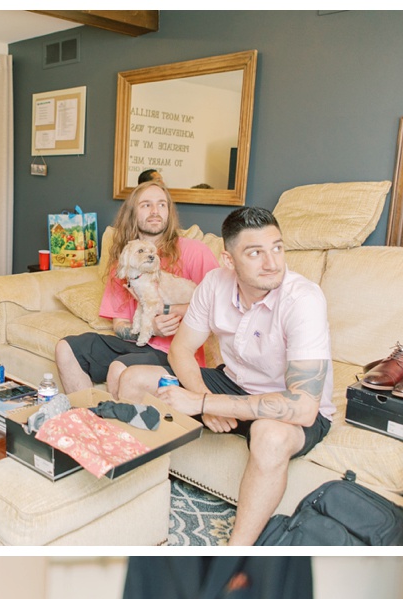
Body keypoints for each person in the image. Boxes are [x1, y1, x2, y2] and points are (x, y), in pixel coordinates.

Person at [109, 205, 333, 548]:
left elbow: (303, 407)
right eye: (255, 253)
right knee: (135, 378)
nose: (272, 262)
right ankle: (131, 497)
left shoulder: (302, 299)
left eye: (277, 247)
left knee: (270, 436)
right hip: (231, 383)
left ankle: (236, 551)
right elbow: (180, 351)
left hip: (287, 402)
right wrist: (208, 403)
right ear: (229, 260)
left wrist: (203, 401)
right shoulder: (215, 283)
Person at [53, 177, 218, 394]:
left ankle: (114, 426)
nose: (155, 211)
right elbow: (119, 323)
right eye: (146, 205)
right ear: (132, 213)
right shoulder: (125, 259)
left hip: (174, 352)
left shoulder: (195, 251)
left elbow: (219, 306)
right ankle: (87, 421)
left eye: (162, 204)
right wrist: (147, 331)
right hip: (138, 343)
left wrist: (166, 312)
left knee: (118, 370)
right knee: (65, 349)